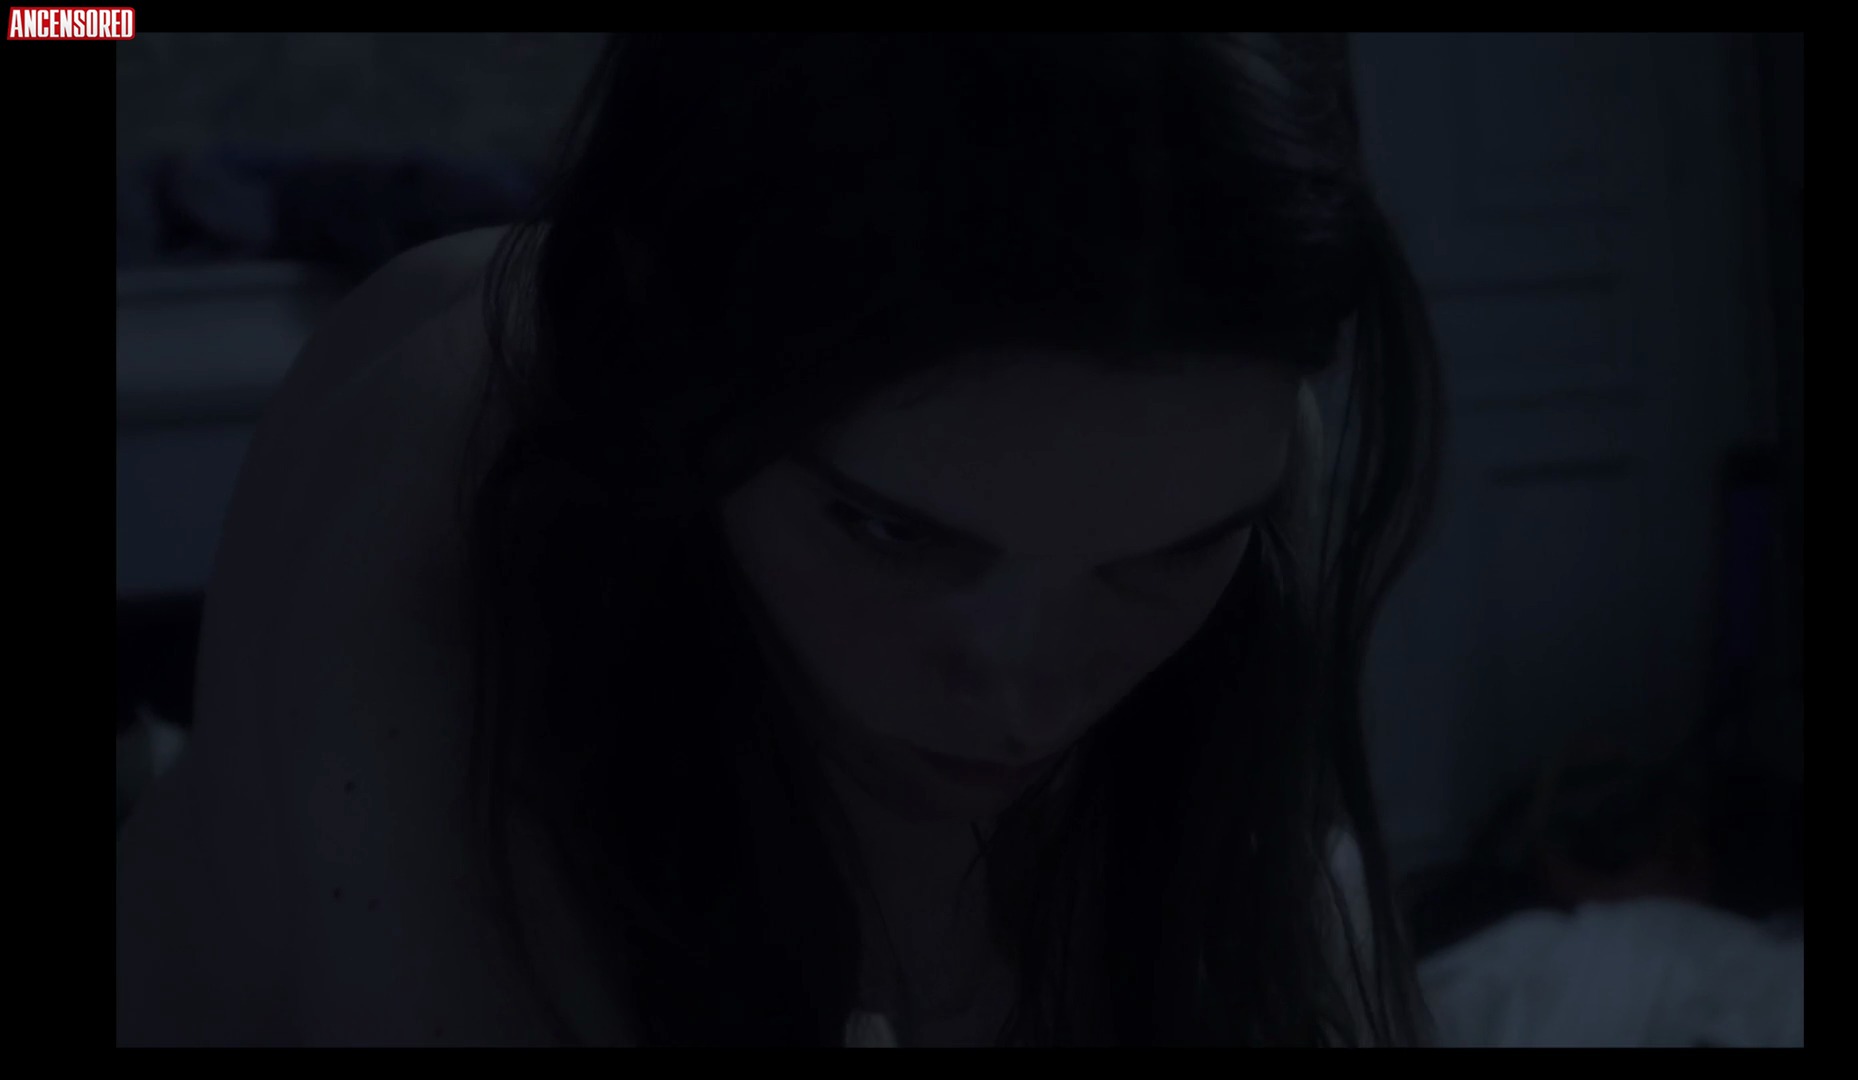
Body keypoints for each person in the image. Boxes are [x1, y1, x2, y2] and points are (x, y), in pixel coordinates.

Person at [115, 33, 1443, 1046]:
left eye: (1164, 558)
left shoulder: (1238, 447)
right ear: (679, 374)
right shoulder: (453, 443)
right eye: (890, 532)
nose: (1026, 692)